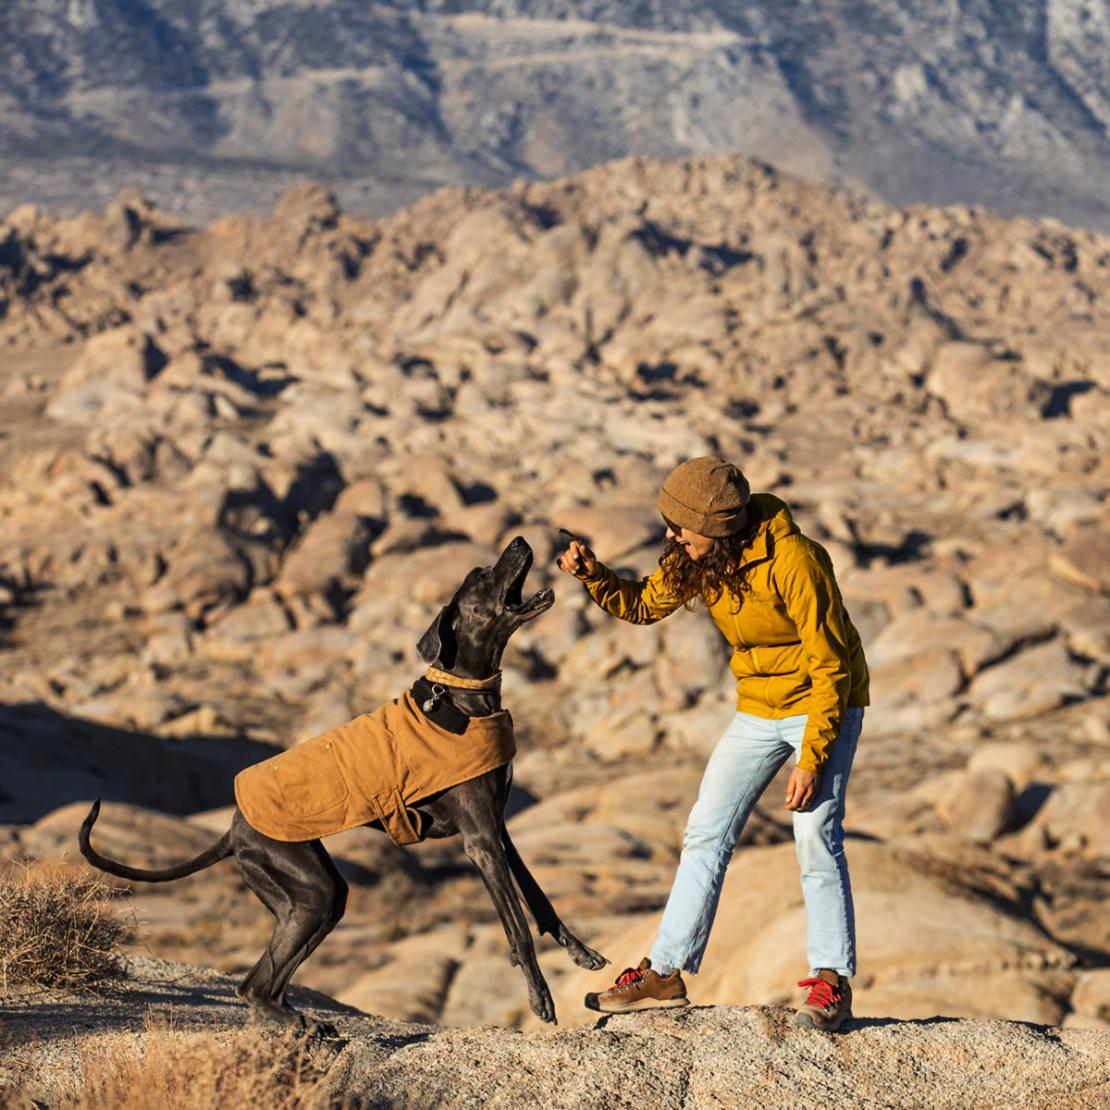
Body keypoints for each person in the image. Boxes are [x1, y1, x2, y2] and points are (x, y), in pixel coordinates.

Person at [556, 456, 869, 1031]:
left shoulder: (796, 561)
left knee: (815, 837)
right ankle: (665, 971)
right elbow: (644, 605)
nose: (672, 537)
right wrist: (594, 575)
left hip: (823, 703)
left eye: (681, 528)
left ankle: (831, 982)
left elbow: (831, 666)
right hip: (759, 706)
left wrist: (812, 758)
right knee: (706, 831)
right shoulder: (701, 558)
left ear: (716, 527)